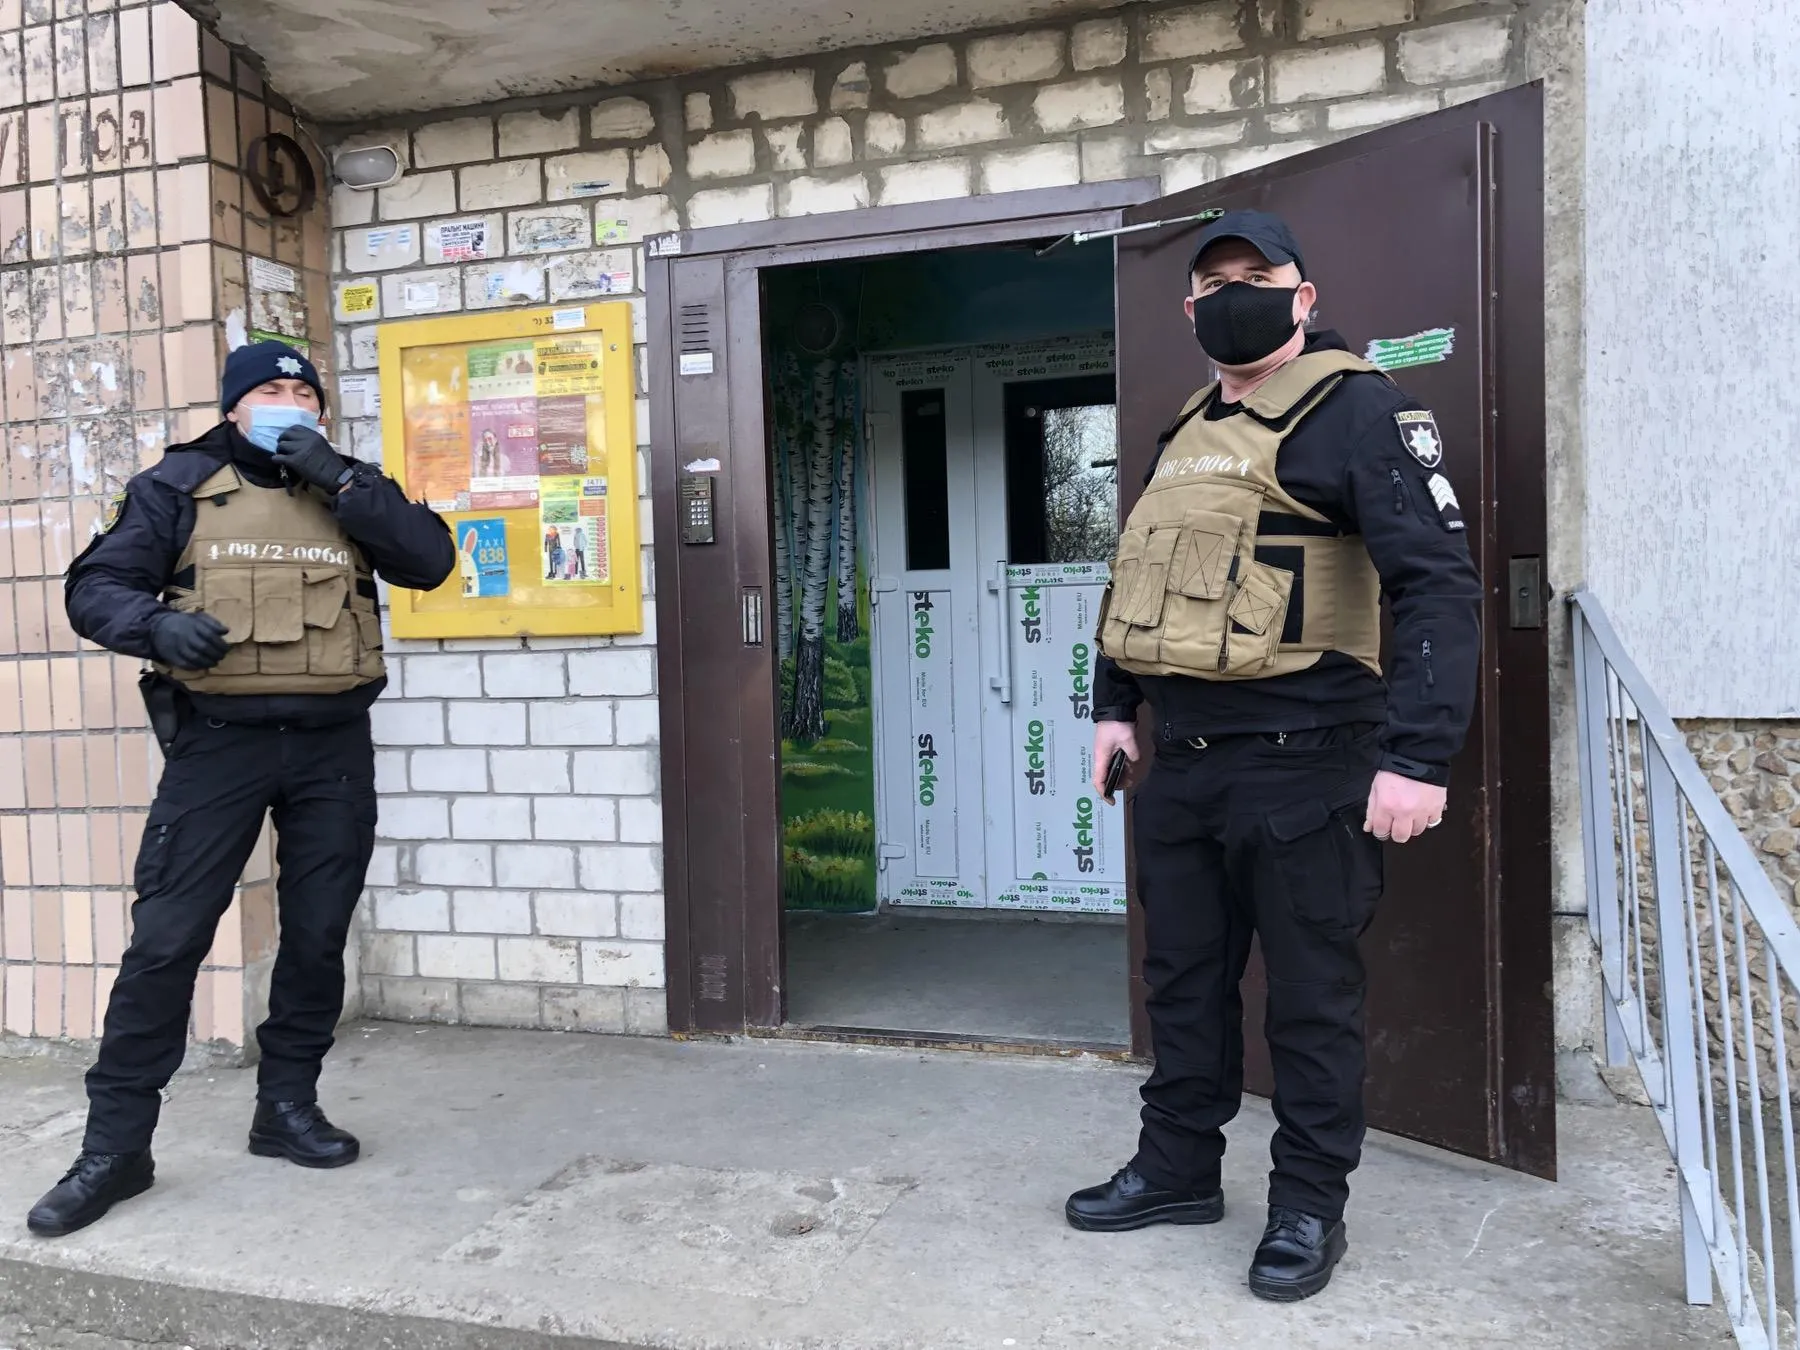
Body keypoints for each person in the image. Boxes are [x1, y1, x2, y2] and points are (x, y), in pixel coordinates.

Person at [1064, 211, 1480, 1303]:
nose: (1234, 293)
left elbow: (1438, 589)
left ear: (1304, 297)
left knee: (1310, 999)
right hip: (1185, 767)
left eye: (1259, 275)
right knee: (1182, 987)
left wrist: (1420, 757)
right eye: (1215, 282)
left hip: (1310, 765)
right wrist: (1114, 709)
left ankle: (1307, 1204)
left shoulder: (1363, 411)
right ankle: (1176, 1171)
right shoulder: (1184, 428)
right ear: (1189, 307)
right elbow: (1137, 581)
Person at [27, 340, 456, 1238]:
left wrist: (341, 477)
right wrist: (153, 627)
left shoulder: (350, 484)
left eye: (304, 390)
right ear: (233, 406)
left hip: (332, 747)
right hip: (218, 746)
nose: (290, 401)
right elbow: (94, 586)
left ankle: (286, 1108)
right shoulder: (176, 484)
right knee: (166, 942)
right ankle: (115, 1149)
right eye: (270, 389)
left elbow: (428, 562)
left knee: (318, 937)